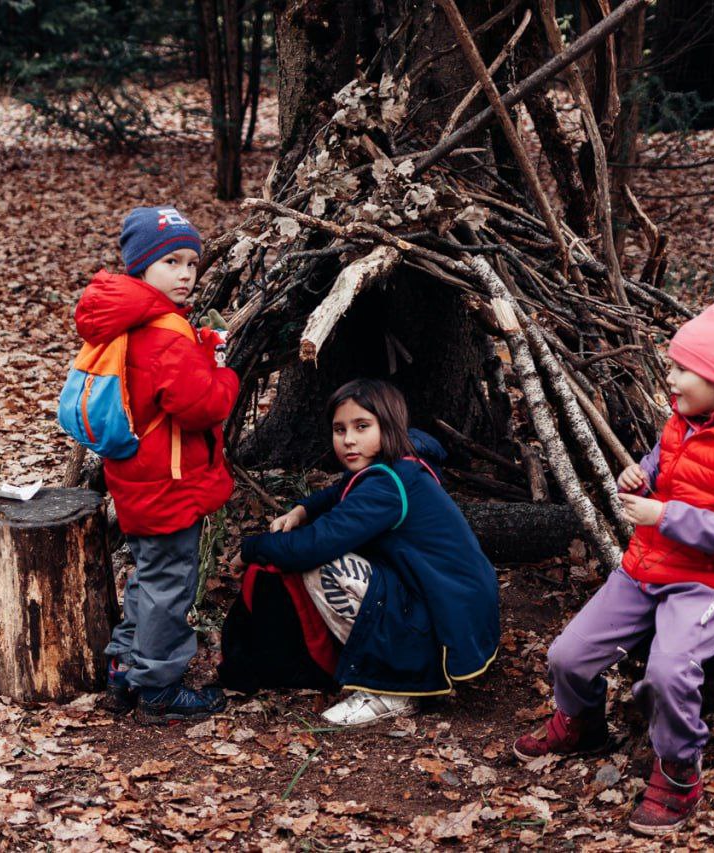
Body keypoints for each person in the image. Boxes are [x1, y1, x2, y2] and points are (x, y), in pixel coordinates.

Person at [513, 298, 714, 836]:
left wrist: (663, 513)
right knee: (567, 656)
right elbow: (665, 461)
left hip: (711, 580)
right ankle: (582, 723)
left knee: (668, 671)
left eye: (681, 369)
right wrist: (644, 476)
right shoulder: (689, 418)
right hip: (649, 563)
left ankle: (678, 769)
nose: (670, 378)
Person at [239, 379, 500, 726]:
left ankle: (397, 686)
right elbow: (340, 492)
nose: (349, 440)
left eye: (362, 427)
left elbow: (312, 546)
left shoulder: (388, 487)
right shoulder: (405, 462)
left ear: (388, 426)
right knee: (327, 555)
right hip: (456, 603)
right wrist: (302, 509)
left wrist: (250, 549)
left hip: (447, 616)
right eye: (339, 429)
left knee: (325, 565)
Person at [73, 205, 237, 723]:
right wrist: (223, 373)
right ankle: (160, 688)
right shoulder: (165, 331)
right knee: (168, 584)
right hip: (168, 486)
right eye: (172, 261)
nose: (186, 272)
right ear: (142, 268)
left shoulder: (132, 322)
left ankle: (125, 671)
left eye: (192, 261)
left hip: (138, 481)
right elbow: (200, 405)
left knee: (147, 576)